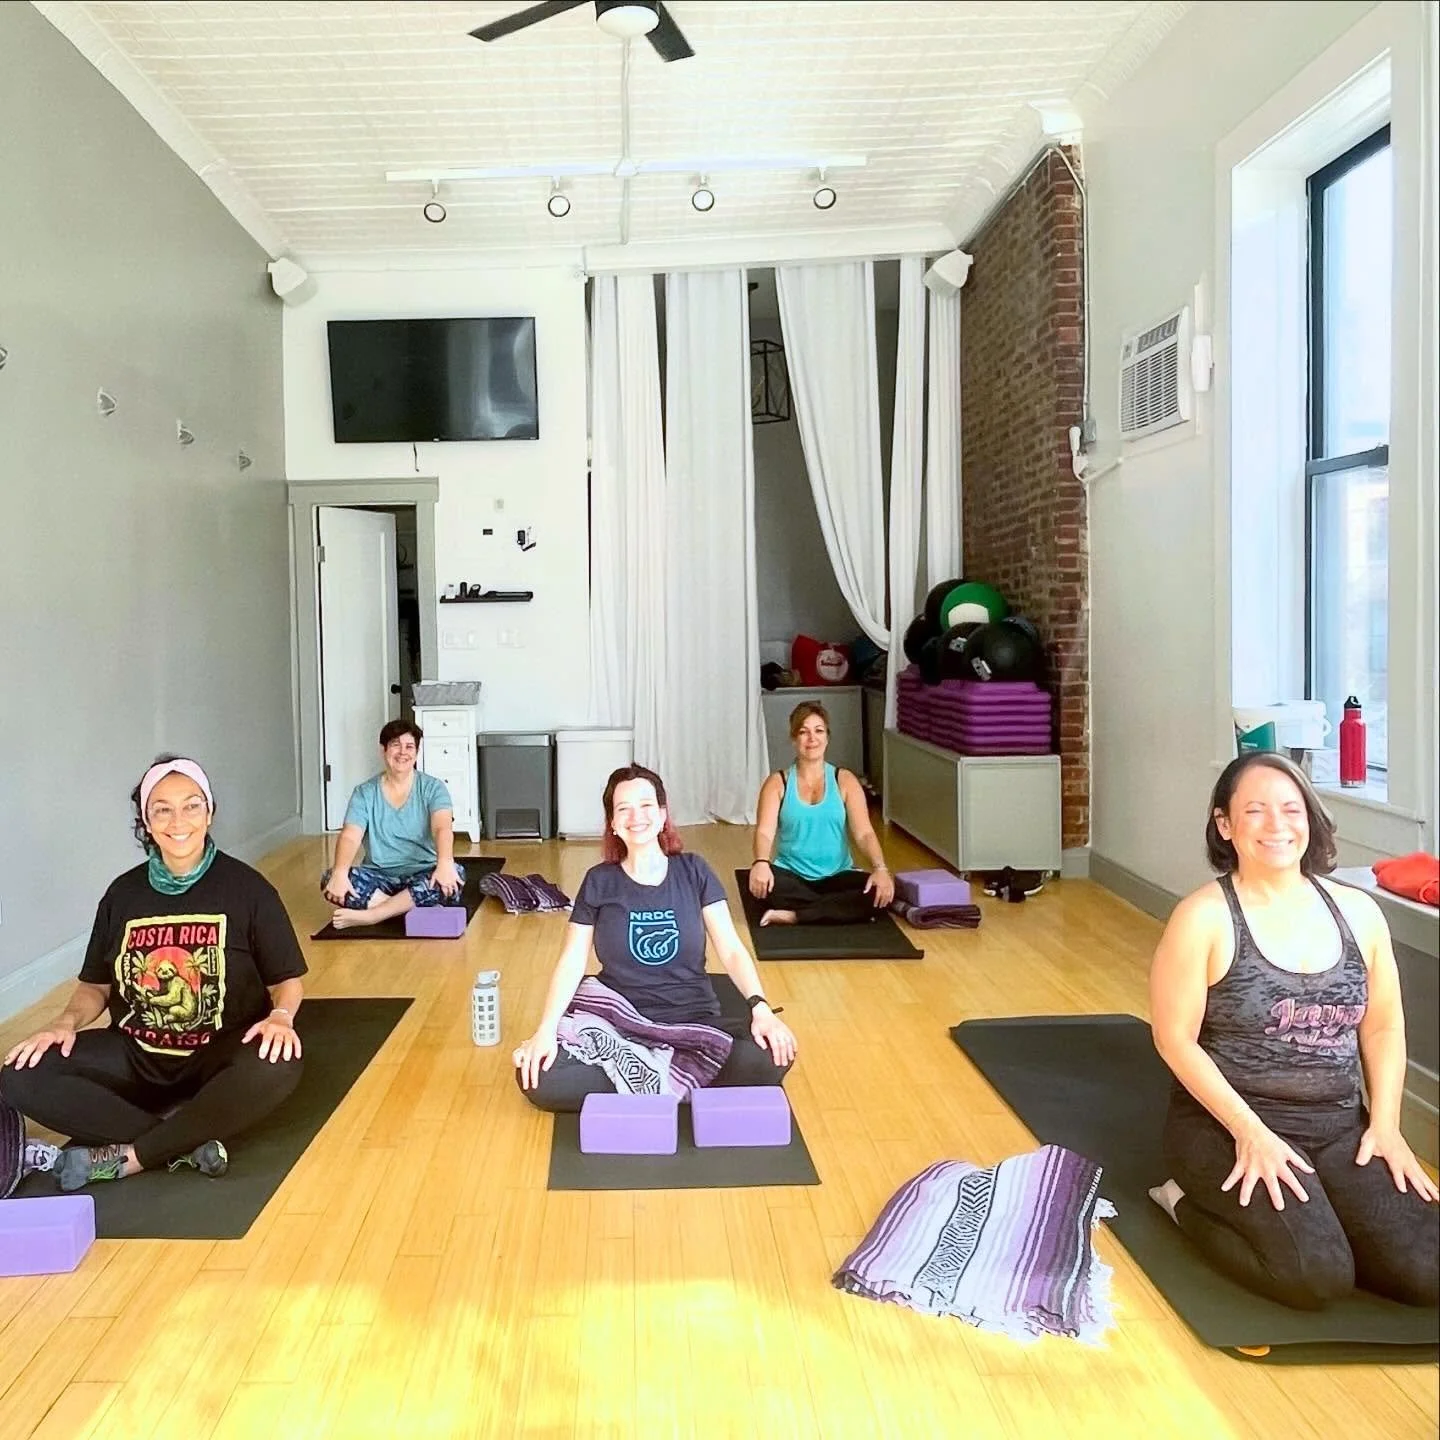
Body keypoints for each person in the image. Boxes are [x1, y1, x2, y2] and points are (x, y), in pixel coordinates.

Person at [1148, 750, 1438, 1310]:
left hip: (1336, 1126)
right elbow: (1174, 1038)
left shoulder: (1359, 913)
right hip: (1225, 1125)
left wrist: (1385, 1124)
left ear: (1310, 818)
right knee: (1316, 1275)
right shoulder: (1204, 917)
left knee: (1429, 1272)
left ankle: (1333, 1211)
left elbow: (1382, 1027)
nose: (1277, 825)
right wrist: (1247, 1129)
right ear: (1225, 825)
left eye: (1291, 808)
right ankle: (1180, 1200)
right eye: (1255, 811)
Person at [0, 756, 307, 1192]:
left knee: (278, 1063)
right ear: (146, 820)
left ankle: (131, 1157)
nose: (177, 820)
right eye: (162, 808)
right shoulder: (123, 894)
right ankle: (182, 1144)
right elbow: (96, 986)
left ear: (210, 812)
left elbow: (286, 982)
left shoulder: (248, 889)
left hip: (218, 1059)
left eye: (191, 805)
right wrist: (62, 1023)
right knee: (20, 1073)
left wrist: (281, 1017)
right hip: (136, 1056)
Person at [514, 765, 797, 1111]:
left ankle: (644, 1080)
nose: (637, 817)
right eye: (624, 809)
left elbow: (732, 949)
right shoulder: (599, 881)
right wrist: (546, 1029)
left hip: (692, 1021)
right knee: (541, 1077)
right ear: (613, 824)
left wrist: (761, 1008)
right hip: (620, 1023)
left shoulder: (694, 871)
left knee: (773, 1055)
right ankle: (679, 1081)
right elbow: (572, 960)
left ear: (663, 815)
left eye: (647, 806)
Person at [747, 701, 895, 926]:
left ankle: (795, 915)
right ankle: (834, 909)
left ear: (827, 737)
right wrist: (760, 863)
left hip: (838, 876)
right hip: (791, 876)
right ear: (794, 738)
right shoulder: (778, 783)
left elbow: (864, 833)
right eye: (803, 732)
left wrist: (880, 868)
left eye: (818, 731)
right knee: (765, 886)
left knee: (879, 893)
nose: (812, 739)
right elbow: (765, 832)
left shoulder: (844, 780)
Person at [320, 719, 464, 930]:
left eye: (409, 746)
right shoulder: (365, 792)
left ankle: (375, 915)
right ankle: (409, 911)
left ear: (416, 752)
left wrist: (444, 863)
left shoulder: (433, 788)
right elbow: (350, 836)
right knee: (330, 878)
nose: (402, 752)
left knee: (454, 873)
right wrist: (340, 873)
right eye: (396, 745)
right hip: (380, 877)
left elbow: (442, 828)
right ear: (383, 749)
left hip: (423, 873)